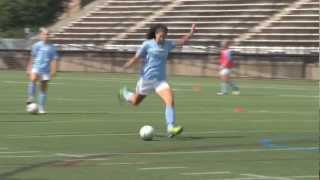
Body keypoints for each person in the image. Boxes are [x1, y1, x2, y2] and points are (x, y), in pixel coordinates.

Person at [119, 23, 196, 137]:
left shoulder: (168, 44)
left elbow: (181, 42)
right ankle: (125, 94)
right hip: (147, 80)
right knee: (135, 102)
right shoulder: (147, 44)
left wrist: (191, 33)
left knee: (170, 101)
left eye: (165, 36)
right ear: (155, 34)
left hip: (161, 81)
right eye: (161, 36)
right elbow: (137, 57)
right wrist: (127, 65)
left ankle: (170, 127)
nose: (163, 39)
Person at [26, 28, 60, 114]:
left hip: (46, 70)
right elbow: (32, 57)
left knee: (43, 89)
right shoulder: (37, 45)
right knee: (33, 79)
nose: (46, 36)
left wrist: (54, 70)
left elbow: (55, 59)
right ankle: (31, 97)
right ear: (41, 35)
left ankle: (41, 107)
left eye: (48, 34)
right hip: (36, 67)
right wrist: (29, 68)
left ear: (49, 36)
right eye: (44, 34)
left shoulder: (52, 48)